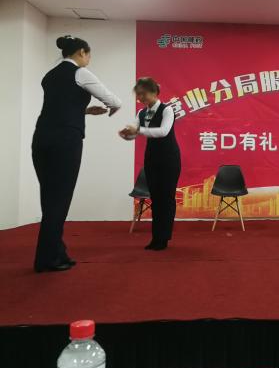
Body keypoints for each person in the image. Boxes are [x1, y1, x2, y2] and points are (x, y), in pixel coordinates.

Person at [32, 35, 122, 272]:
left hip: (41, 138)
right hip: (65, 141)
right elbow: (114, 100)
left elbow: (58, 106)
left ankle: (57, 253)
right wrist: (112, 109)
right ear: (82, 52)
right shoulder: (80, 73)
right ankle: (47, 260)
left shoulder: (49, 75)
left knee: (50, 198)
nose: (89, 59)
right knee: (60, 199)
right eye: (89, 55)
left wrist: (83, 111)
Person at [119, 77, 181, 251]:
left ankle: (163, 238)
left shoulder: (167, 110)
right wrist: (127, 134)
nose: (140, 98)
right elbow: (135, 131)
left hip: (169, 159)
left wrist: (138, 131)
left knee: (166, 199)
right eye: (138, 95)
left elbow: (163, 131)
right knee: (155, 199)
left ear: (154, 92)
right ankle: (156, 237)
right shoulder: (141, 113)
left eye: (143, 94)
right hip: (152, 159)